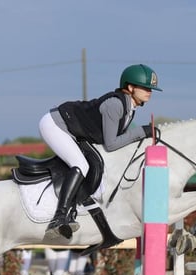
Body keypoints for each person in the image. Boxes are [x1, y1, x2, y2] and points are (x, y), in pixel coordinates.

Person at [39, 64, 161, 240]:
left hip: (75, 131)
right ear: (130, 87)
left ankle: (76, 209)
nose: (149, 92)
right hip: (55, 125)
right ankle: (59, 217)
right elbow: (111, 144)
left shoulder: (129, 108)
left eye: (151, 89)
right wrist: (142, 132)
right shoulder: (116, 105)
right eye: (145, 87)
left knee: (96, 163)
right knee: (80, 164)